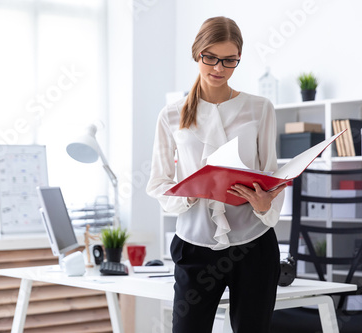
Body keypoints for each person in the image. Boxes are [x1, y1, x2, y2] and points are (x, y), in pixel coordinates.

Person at [146, 16, 287, 332]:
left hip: (254, 243)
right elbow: (158, 182)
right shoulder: (171, 115)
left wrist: (267, 207)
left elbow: (272, 173)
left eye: (229, 61)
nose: (219, 68)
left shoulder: (260, 108)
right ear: (197, 53)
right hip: (195, 244)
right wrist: (193, 191)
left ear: (238, 59)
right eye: (210, 57)